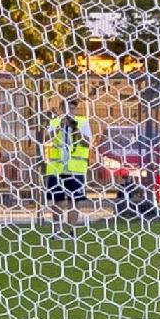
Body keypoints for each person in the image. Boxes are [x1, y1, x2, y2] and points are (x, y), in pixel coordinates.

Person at [42, 97, 92, 229]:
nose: (72, 110)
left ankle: (72, 231)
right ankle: (57, 230)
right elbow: (46, 139)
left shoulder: (82, 122)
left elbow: (87, 143)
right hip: (56, 168)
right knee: (57, 201)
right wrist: (59, 127)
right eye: (69, 107)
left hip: (75, 169)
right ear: (62, 109)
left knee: (74, 201)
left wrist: (75, 130)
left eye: (74, 108)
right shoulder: (55, 121)